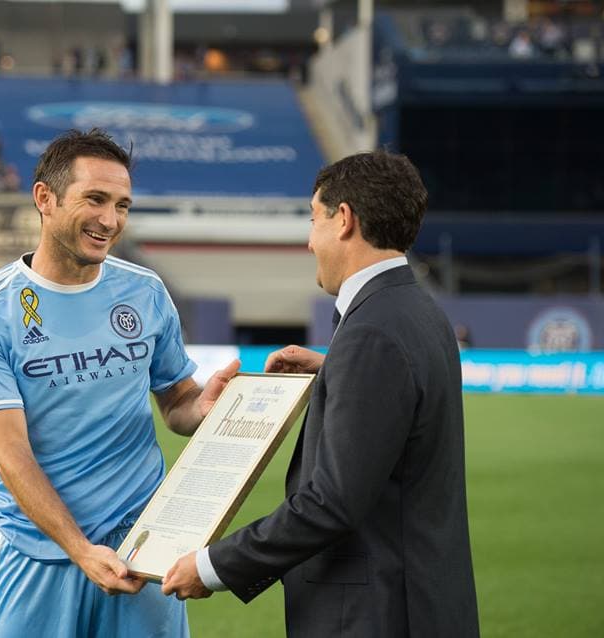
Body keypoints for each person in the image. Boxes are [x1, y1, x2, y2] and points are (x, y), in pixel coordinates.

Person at [162, 150, 480, 637]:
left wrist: (212, 566)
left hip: (378, 615)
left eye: (314, 220)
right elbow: (404, 397)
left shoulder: (372, 332)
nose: (309, 242)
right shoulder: (419, 311)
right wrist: (336, 372)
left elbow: (330, 503)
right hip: (421, 600)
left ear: (345, 219)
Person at [0, 128, 237, 637]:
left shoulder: (145, 291)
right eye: (95, 200)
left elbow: (177, 402)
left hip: (142, 549)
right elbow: (11, 454)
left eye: (122, 205)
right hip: (39, 552)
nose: (110, 220)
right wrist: (79, 549)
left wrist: (203, 407)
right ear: (45, 198)